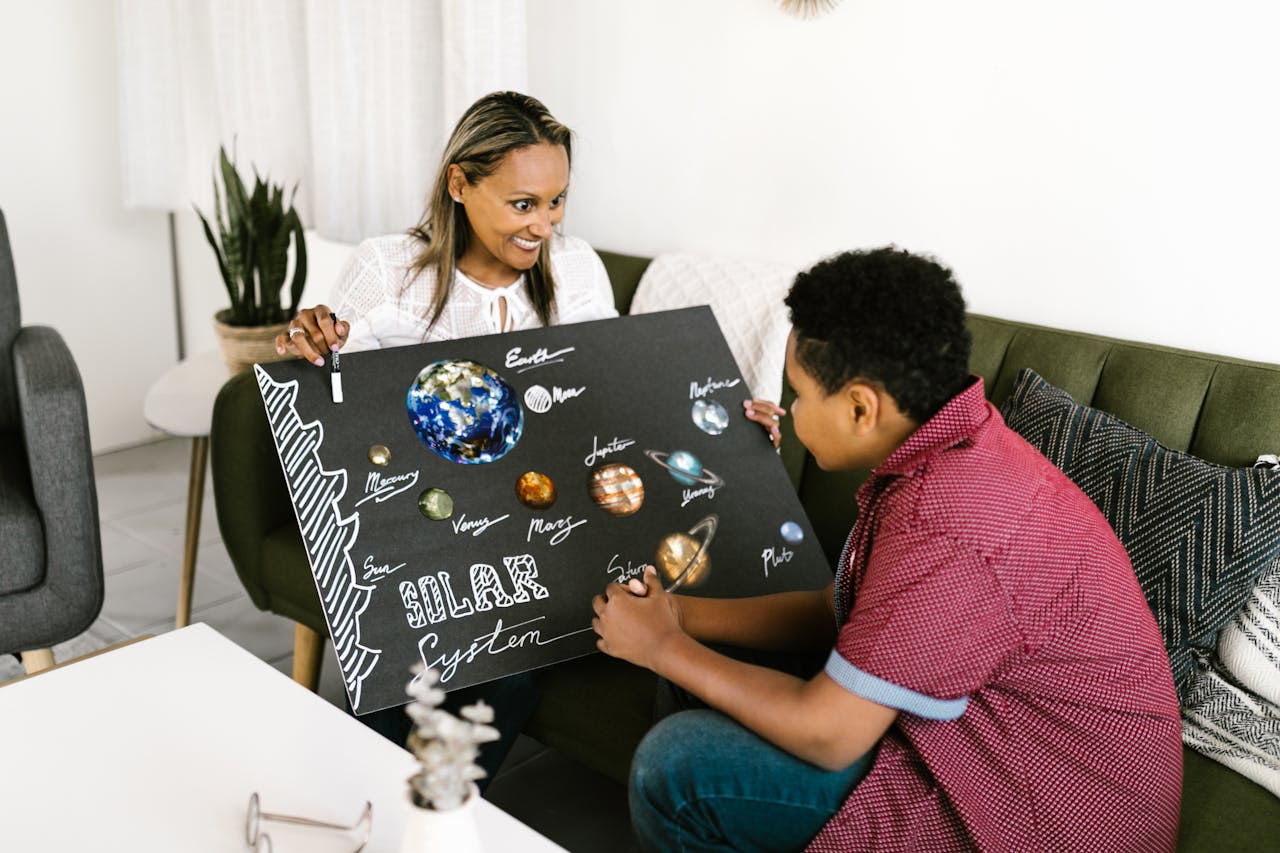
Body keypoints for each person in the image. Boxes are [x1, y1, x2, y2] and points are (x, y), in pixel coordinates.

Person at [592, 247, 1184, 851]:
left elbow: (829, 732)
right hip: (993, 742)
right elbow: (838, 611)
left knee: (677, 766)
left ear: (859, 407)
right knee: (702, 664)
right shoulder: (954, 445)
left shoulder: (947, 526)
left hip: (1040, 814)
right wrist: (680, 617)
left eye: (797, 394)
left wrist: (660, 646)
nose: (791, 411)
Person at [276, 90, 782, 785]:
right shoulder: (389, 267)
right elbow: (336, 401)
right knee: (411, 657)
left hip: (543, 535)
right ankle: (377, 798)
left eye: (557, 201)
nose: (544, 224)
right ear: (460, 183)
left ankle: (423, 806)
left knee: (504, 662)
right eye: (523, 204)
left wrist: (727, 430)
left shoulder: (574, 271)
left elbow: (619, 400)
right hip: (425, 535)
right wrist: (315, 343)